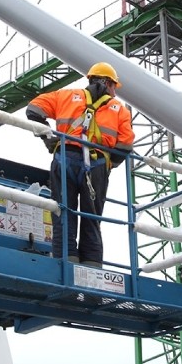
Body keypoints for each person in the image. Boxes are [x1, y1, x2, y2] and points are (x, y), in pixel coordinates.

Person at [26, 62, 135, 266]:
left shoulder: (65, 96)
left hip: (64, 159)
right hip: (97, 165)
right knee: (91, 219)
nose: (114, 93)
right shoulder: (119, 109)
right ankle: (92, 267)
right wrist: (109, 164)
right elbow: (126, 145)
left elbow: (33, 109)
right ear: (107, 83)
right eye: (114, 87)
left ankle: (65, 263)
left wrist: (48, 136)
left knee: (62, 214)